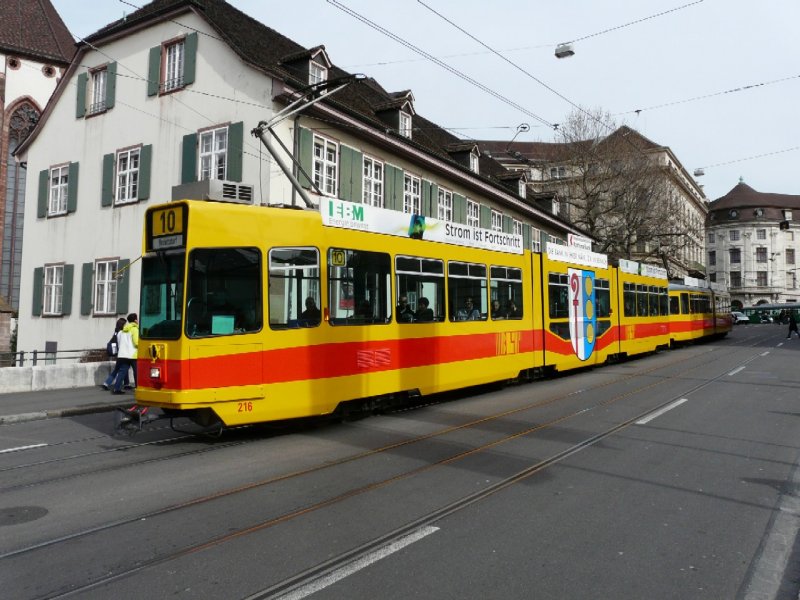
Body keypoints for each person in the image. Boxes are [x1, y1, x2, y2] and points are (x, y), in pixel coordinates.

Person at [112, 313, 139, 394]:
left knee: (122, 372)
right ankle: (138, 387)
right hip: (133, 355)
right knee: (136, 372)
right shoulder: (135, 329)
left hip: (123, 354)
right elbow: (136, 342)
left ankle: (116, 389)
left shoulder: (123, 330)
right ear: (135, 320)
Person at [103, 317, 129, 391]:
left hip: (119, 354)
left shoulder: (116, 331)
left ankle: (126, 384)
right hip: (122, 353)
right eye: (125, 324)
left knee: (123, 368)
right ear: (122, 325)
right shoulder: (122, 332)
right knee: (119, 369)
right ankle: (107, 383)